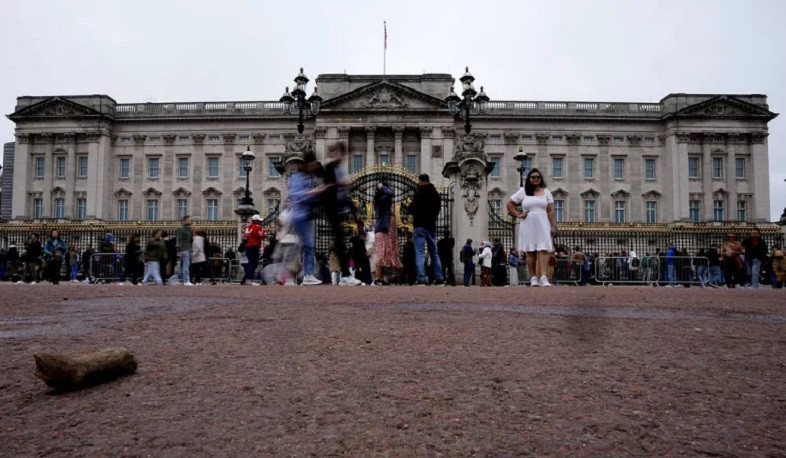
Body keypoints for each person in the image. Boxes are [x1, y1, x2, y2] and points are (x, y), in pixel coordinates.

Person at [506, 168, 557, 287]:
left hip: (543, 223)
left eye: (538, 177)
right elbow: (509, 204)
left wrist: (553, 226)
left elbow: (551, 211)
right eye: (533, 177)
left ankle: (543, 277)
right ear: (529, 179)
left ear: (541, 179)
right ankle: (533, 277)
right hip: (528, 223)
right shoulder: (523, 191)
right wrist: (518, 214)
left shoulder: (546, 192)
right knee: (530, 251)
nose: (536, 179)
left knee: (543, 249)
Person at [322, 143, 362, 286]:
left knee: (340, 242)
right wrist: (342, 184)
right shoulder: (330, 168)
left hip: (339, 209)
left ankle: (345, 274)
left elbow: (345, 195)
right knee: (340, 242)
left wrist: (354, 211)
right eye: (342, 154)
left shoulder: (339, 169)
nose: (344, 157)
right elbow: (327, 186)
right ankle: (345, 275)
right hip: (331, 208)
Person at [289, 151, 323, 286]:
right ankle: (305, 274)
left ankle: (305, 274)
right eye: (313, 165)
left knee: (307, 245)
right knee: (307, 245)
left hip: (306, 215)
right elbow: (295, 195)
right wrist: (312, 192)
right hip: (299, 216)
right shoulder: (297, 177)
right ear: (308, 164)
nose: (314, 168)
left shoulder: (307, 178)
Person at [410, 174, 444, 286]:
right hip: (431, 226)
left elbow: (411, 208)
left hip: (419, 225)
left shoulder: (418, 193)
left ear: (420, 181)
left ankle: (421, 278)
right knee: (434, 253)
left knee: (419, 253)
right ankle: (439, 278)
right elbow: (437, 210)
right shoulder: (436, 194)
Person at [373, 180, 402, 285]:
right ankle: (377, 279)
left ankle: (382, 278)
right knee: (381, 254)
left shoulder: (384, 202)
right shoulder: (381, 200)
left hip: (387, 232)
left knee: (385, 255)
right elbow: (390, 193)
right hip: (382, 230)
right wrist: (381, 187)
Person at [272, 202, 301, 286]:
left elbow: (278, 228)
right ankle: (288, 279)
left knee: (285, 260)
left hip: (286, 240)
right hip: (289, 239)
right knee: (289, 261)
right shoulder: (292, 214)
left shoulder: (283, 214)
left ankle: (285, 278)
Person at [241, 215, 267, 285]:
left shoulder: (248, 227)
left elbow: (245, 236)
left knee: (251, 263)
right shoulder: (257, 226)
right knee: (253, 263)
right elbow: (261, 236)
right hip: (254, 247)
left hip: (248, 248)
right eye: (259, 221)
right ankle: (249, 279)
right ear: (256, 221)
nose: (260, 222)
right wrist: (266, 231)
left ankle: (246, 279)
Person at [174, 216, 193, 286]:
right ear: (184, 221)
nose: (190, 221)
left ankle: (179, 279)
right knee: (186, 265)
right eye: (188, 220)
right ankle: (186, 280)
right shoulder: (182, 229)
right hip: (185, 249)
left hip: (186, 248)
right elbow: (180, 239)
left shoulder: (189, 229)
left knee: (183, 265)